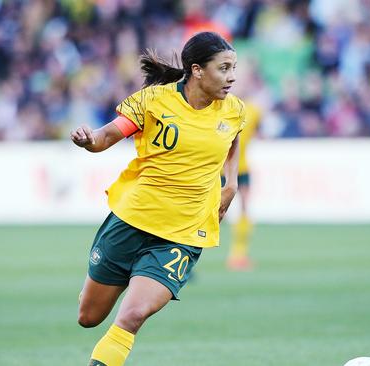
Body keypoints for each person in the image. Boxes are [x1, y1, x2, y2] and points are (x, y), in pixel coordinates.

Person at [71, 32, 245, 365]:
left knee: (133, 314)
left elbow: (232, 140)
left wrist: (231, 183)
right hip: (131, 219)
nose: (232, 76)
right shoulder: (153, 100)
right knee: (89, 316)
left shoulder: (233, 110)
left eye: (233, 67)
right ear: (196, 70)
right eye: (223, 68)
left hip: (182, 233)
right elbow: (108, 135)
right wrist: (88, 139)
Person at [226, 101, 261, 271]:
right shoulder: (221, 106)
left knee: (245, 209)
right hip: (223, 169)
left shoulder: (254, 110)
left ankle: (239, 254)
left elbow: (258, 132)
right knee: (216, 212)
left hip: (243, 167)